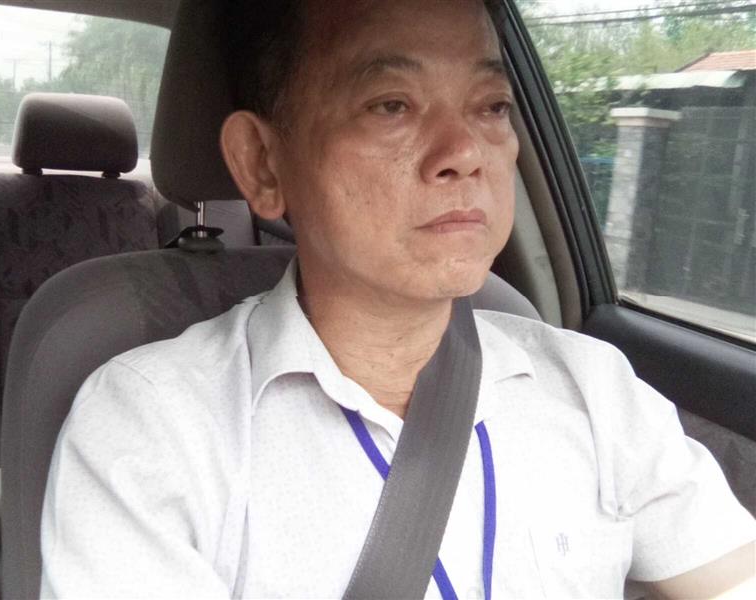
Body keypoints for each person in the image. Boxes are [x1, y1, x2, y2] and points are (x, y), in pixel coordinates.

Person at [40, 0, 756, 598]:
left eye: (493, 106)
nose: (464, 152)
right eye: (391, 105)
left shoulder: (596, 390)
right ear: (262, 163)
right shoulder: (153, 427)